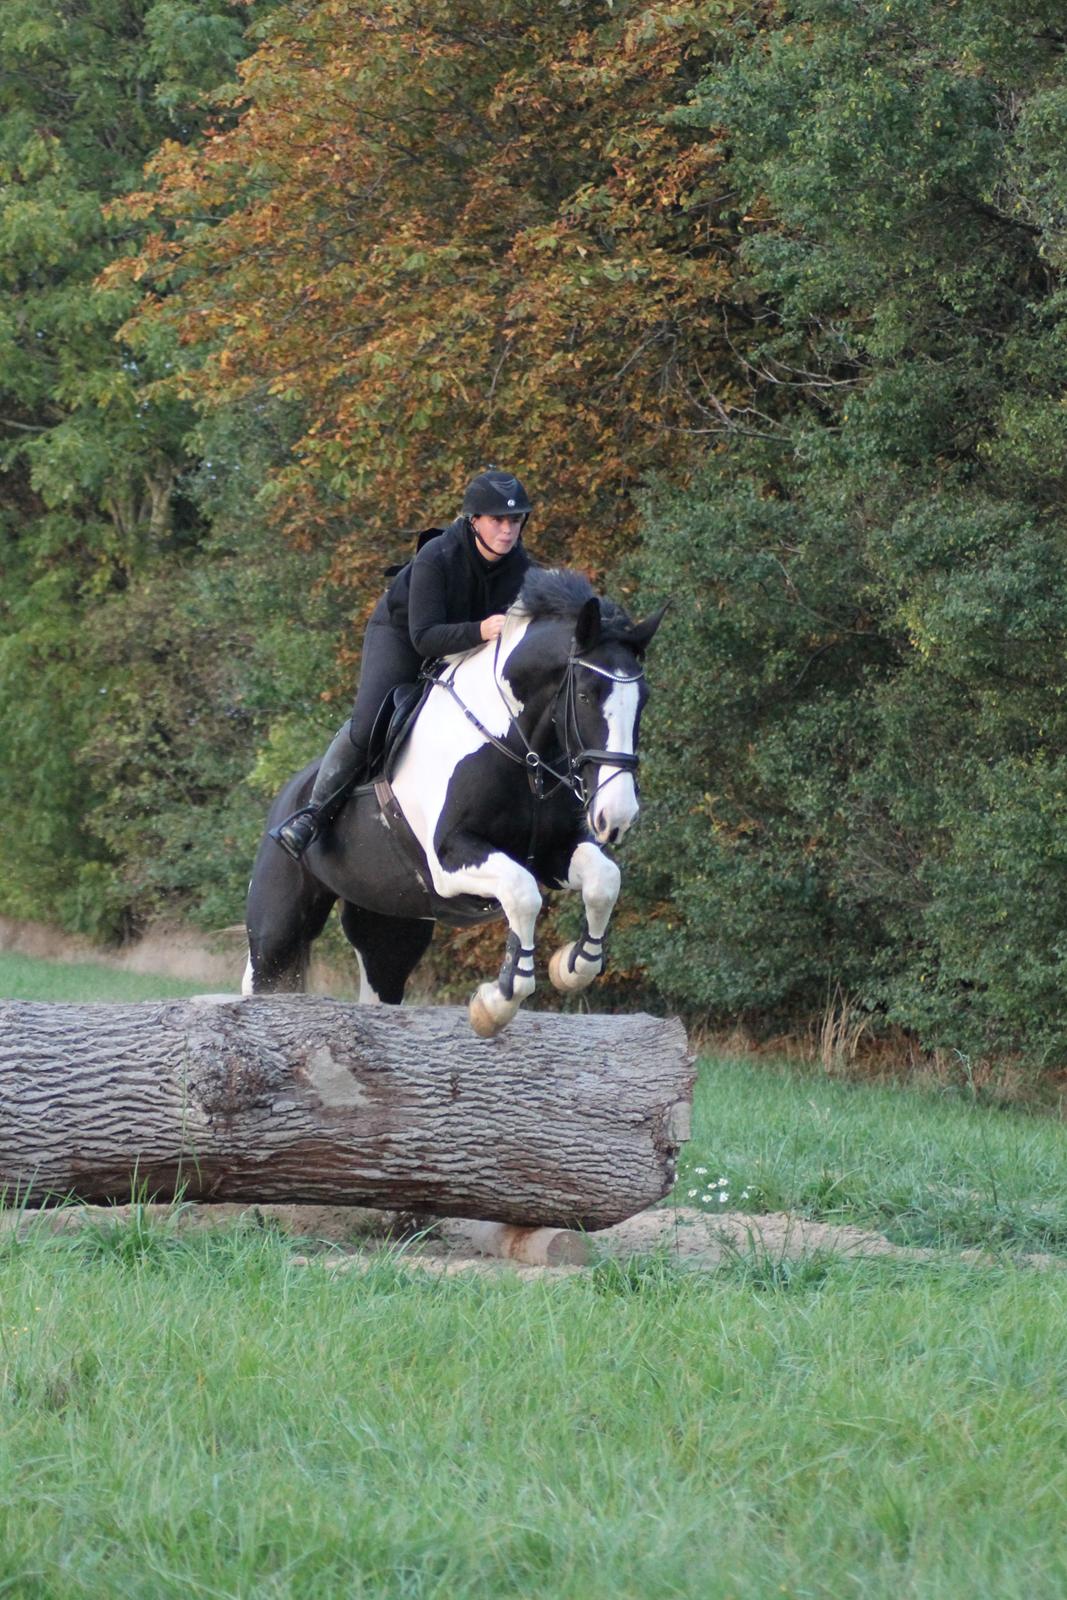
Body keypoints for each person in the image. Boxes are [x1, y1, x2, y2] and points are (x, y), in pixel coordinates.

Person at [271, 467, 535, 859]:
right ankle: (313, 813)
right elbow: (424, 636)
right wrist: (482, 629)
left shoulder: (520, 567)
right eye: (498, 520)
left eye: (515, 520)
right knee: (370, 720)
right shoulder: (438, 555)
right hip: (403, 636)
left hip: (469, 642)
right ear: (474, 520)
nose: (508, 530)